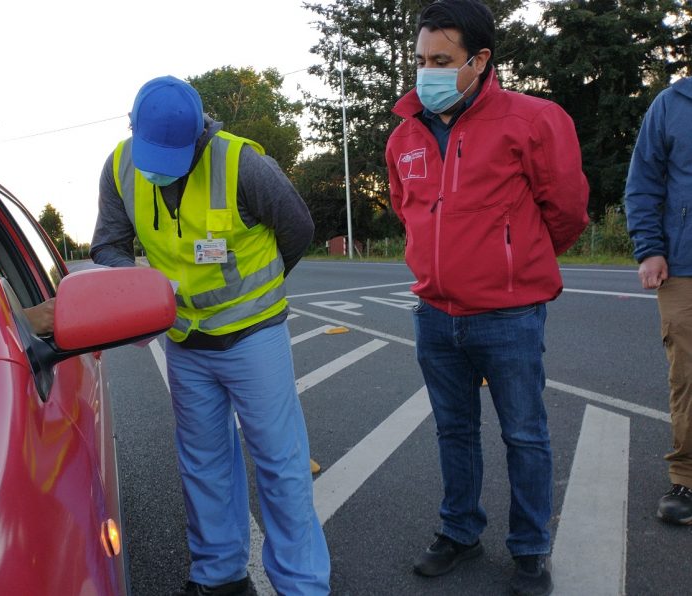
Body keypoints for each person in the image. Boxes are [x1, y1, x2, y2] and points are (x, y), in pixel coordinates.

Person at [90, 75, 330, 596]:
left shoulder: (243, 164)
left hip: (253, 336)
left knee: (280, 462)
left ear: (201, 133)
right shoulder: (121, 167)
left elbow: (298, 229)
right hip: (185, 340)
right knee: (203, 466)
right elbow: (108, 245)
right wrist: (141, 291)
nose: (162, 168)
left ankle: (303, 585)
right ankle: (219, 576)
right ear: (132, 130)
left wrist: (254, 292)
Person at [384, 1, 589, 595]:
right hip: (435, 315)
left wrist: (513, 261)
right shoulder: (404, 137)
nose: (428, 71)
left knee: (524, 433)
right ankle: (460, 530)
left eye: (442, 60)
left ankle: (529, 549)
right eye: (421, 59)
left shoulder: (533, 120)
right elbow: (409, 210)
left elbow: (567, 209)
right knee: (454, 432)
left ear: (480, 61)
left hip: (509, 316)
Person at [625, 76, 692, 526]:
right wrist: (650, 248)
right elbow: (644, 182)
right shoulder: (670, 104)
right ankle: (686, 476)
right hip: (685, 263)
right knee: (687, 373)